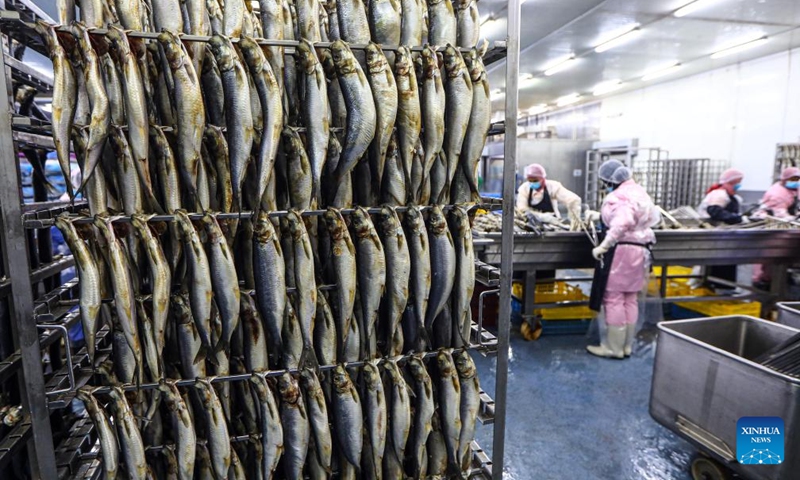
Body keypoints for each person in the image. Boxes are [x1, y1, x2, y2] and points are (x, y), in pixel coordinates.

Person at [586, 160, 658, 359]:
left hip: (622, 252)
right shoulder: (639, 192)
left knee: (614, 298)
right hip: (640, 251)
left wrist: (604, 245)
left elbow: (622, 222)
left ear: (610, 179)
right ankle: (626, 346)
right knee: (630, 298)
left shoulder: (619, 196)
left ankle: (613, 348)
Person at [751, 167, 800, 288]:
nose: (796, 181)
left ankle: (780, 276)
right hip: (771, 225)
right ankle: (762, 279)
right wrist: (793, 219)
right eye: (793, 179)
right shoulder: (777, 192)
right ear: (784, 179)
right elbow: (779, 214)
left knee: (781, 255)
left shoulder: (793, 190)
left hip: (785, 226)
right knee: (770, 254)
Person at [697, 169, 746, 287]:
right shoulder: (719, 194)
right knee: (718, 265)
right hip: (717, 236)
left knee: (727, 264)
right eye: (737, 182)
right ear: (730, 181)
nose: (739, 185)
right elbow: (715, 211)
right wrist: (737, 219)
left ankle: (724, 288)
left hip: (727, 237)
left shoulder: (732, 196)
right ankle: (716, 287)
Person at [515, 163, 582, 230]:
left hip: (554, 225)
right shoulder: (524, 189)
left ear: (543, 179)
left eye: (535, 180)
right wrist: (541, 216)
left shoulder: (552, 186)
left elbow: (574, 200)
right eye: (530, 180)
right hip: (532, 227)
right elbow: (522, 210)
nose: (532, 183)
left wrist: (574, 221)